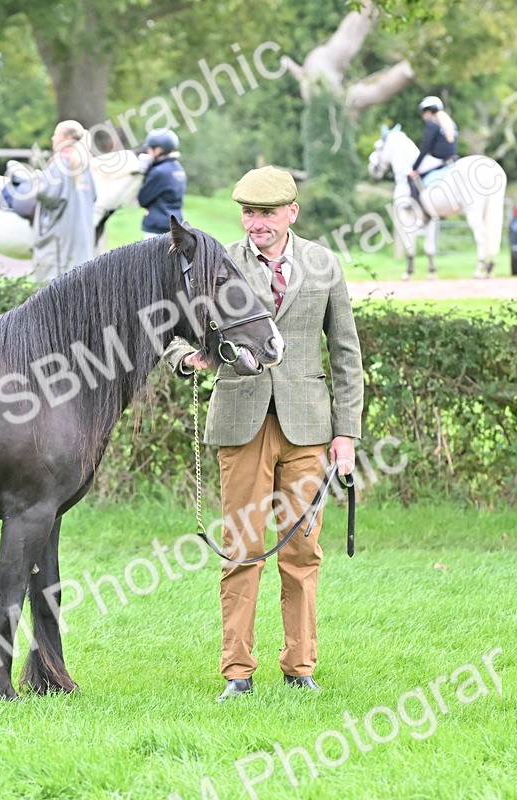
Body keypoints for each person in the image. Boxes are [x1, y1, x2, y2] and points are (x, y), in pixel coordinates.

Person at [162, 166, 364, 702]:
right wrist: (192, 359)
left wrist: (347, 435)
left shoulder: (324, 264)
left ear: (291, 213)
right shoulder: (218, 264)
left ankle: (300, 667)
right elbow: (174, 336)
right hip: (240, 420)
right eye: (249, 214)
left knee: (302, 551)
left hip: (309, 429)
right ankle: (237, 672)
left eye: (267, 214)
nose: (257, 224)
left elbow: (346, 356)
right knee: (242, 549)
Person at [29, 119, 97, 282]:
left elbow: (50, 196)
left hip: (61, 239)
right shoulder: (84, 162)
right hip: (82, 236)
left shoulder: (60, 162)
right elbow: (93, 196)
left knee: (56, 286)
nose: (53, 138)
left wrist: (37, 181)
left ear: (65, 137)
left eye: (56, 134)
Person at [137, 129, 187, 238]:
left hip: (157, 228)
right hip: (174, 226)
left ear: (158, 150)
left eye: (150, 149)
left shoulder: (158, 172)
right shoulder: (178, 168)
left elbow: (142, 199)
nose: (148, 152)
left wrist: (145, 172)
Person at [410, 96, 459, 179]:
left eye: (423, 111)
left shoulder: (432, 124)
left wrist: (414, 168)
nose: (422, 115)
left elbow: (425, 147)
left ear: (429, 111)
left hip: (439, 160)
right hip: (453, 158)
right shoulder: (449, 123)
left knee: (415, 175)